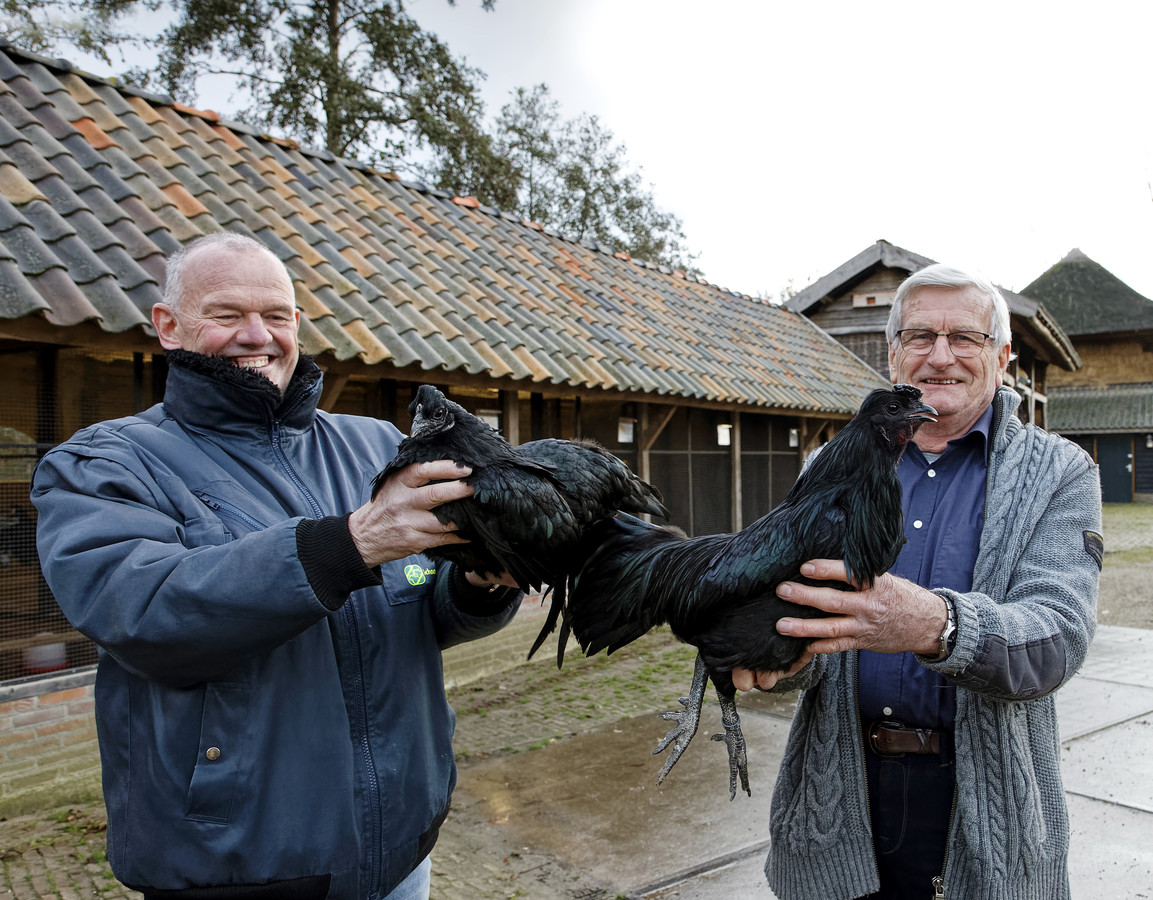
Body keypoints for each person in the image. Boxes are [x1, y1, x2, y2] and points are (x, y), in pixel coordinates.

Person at [31, 232, 522, 900]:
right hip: (239, 866)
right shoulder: (103, 463)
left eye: (278, 316)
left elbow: (418, 613)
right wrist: (350, 545)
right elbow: (141, 612)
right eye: (227, 315)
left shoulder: (377, 446)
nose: (256, 335)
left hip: (404, 850)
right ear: (168, 327)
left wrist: (476, 584)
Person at [733, 264, 1103, 899]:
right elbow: (808, 611)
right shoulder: (829, 463)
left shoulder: (1061, 473)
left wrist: (938, 625)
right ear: (893, 352)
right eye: (920, 336)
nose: (941, 357)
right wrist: (781, 658)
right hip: (843, 794)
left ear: (1003, 355)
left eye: (965, 337)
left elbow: (1057, 639)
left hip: (985, 802)